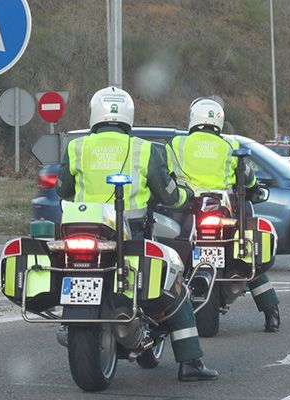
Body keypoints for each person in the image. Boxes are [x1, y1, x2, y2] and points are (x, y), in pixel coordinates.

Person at [56, 87, 218, 382]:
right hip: (132, 236)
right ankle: (191, 362)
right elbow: (168, 195)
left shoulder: (76, 147)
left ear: (94, 114)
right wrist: (184, 197)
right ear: (128, 116)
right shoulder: (145, 149)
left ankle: (71, 321)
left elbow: (62, 189)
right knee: (176, 288)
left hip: (81, 232)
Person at [166, 97, 281, 333]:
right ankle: (272, 314)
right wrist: (255, 189)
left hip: (189, 213)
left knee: (175, 260)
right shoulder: (229, 147)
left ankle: (170, 316)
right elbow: (248, 178)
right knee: (249, 261)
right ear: (219, 121)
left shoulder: (176, 144)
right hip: (223, 212)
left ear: (192, 119)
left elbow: (165, 178)